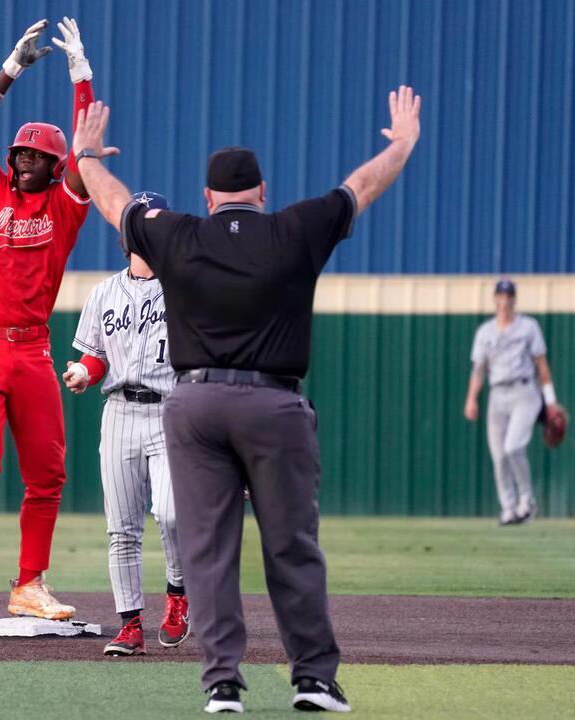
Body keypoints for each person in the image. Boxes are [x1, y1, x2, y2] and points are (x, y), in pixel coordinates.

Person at [70, 87, 421, 713]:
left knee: (207, 547)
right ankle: (312, 678)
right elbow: (361, 186)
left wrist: (87, 154)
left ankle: (222, 683)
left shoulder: (177, 235)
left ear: (207, 198)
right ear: (263, 191)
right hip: (272, 405)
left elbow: (117, 204)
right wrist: (401, 144)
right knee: (291, 545)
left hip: (195, 406)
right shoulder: (294, 229)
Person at [0, 17, 108, 623]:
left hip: (33, 350)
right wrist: (9, 70)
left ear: (53, 166)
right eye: (18, 153)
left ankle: (30, 584)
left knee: (48, 473)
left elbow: (87, 149)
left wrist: (81, 76)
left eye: (33, 157)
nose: (20, 162)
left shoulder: (67, 206)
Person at [62, 192, 189, 657]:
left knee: (173, 513)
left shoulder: (186, 286)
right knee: (122, 527)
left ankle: (178, 595)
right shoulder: (103, 292)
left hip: (171, 412)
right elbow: (95, 355)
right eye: (139, 222)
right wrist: (81, 371)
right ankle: (130, 624)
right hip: (119, 411)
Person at [464, 279, 561, 525]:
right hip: (497, 393)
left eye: (508, 296)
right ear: (495, 298)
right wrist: (471, 398)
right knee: (498, 455)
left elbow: (542, 365)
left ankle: (526, 501)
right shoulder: (485, 332)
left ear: (514, 299)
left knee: (513, 447)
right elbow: (479, 369)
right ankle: (508, 507)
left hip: (524, 390)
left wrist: (550, 402)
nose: (504, 300)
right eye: (500, 295)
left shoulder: (528, 327)